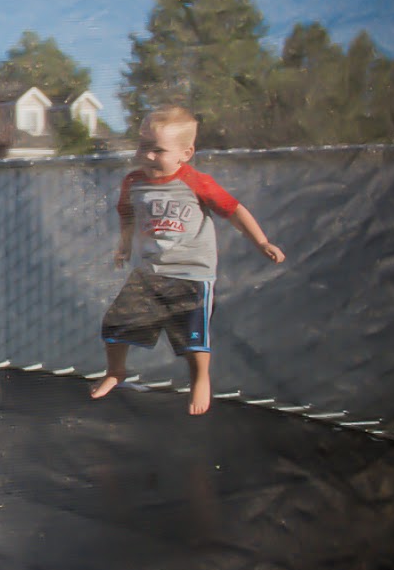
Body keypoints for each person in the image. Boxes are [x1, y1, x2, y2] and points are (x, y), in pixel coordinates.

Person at [90, 106, 285, 415]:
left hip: (192, 274)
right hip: (149, 272)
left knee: (192, 339)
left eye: (158, 150)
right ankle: (116, 371)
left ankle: (200, 379)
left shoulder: (196, 181)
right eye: (143, 147)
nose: (148, 156)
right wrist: (124, 246)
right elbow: (127, 214)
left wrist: (261, 241)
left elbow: (234, 210)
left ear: (186, 153)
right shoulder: (133, 182)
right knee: (115, 325)